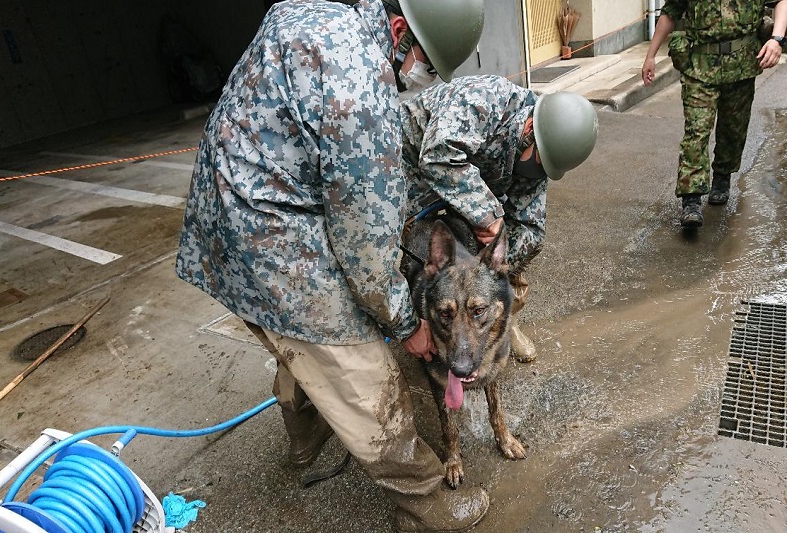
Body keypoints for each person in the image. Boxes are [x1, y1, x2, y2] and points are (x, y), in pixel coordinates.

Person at [175, 0, 489, 531]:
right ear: (398, 30)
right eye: (427, 66)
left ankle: (306, 443)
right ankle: (427, 505)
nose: (421, 80)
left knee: (293, 343)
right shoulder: (361, 86)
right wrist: (405, 323)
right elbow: (365, 244)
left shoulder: (309, 13)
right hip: (276, 244)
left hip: (219, 229)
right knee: (362, 375)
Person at [400, 75, 598, 363]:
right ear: (529, 129)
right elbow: (438, 156)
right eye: (540, 161)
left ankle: (497, 321)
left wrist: (489, 273)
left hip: (465, 186)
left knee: (511, 245)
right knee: (394, 255)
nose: (537, 171)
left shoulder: (538, 154)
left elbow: (531, 227)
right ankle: (407, 324)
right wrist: (487, 215)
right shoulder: (481, 99)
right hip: (409, 174)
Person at [642, 0, 787, 228]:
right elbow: (670, 12)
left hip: (741, 66)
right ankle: (691, 199)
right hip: (699, 66)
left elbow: (780, 1)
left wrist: (777, 39)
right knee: (696, 130)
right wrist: (650, 56)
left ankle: (722, 175)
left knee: (733, 128)